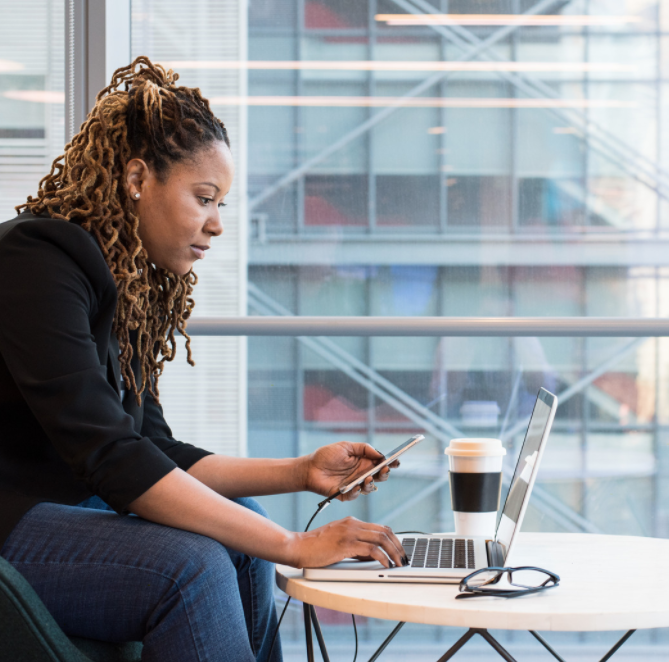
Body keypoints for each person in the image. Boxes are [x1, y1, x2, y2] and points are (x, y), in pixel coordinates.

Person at [0, 56, 406, 662]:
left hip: (56, 511)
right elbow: (112, 459)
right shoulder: (37, 260)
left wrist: (301, 472)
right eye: (204, 198)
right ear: (138, 178)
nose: (217, 225)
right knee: (190, 567)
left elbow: (153, 452)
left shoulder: (120, 284)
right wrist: (293, 544)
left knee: (239, 529)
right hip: (12, 520)